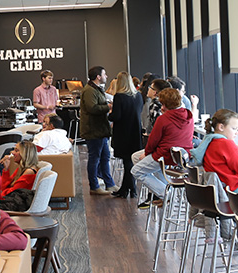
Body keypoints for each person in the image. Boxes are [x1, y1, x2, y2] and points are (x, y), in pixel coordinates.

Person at [130, 88, 194, 209]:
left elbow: (153, 140)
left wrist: (147, 153)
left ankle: (166, 194)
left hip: (165, 155)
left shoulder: (164, 119)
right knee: (135, 157)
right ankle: (161, 191)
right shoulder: (188, 115)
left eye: (163, 104)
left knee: (136, 171)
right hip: (181, 155)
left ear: (165, 105)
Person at [189, 109, 238, 193]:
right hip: (232, 189)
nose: (237, 133)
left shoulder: (208, 142)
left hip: (218, 190)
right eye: (234, 129)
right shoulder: (226, 144)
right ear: (221, 127)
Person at [79, 66, 117, 195]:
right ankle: (94, 186)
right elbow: (93, 108)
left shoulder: (95, 89)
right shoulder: (89, 90)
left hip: (100, 130)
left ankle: (110, 184)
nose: (106, 76)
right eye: (104, 74)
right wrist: (108, 106)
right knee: (94, 158)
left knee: (105, 157)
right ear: (98, 77)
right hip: (93, 130)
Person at [108, 71, 144, 199]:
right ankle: (127, 189)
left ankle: (130, 189)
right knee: (129, 161)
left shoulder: (119, 97)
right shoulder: (138, 96)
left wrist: (109, 113)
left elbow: (116, 116)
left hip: (123, 132)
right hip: (135, 131)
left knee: (127, 162)